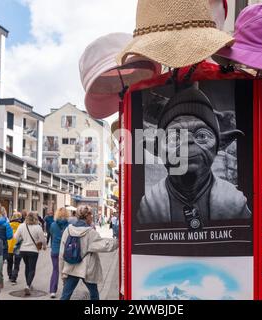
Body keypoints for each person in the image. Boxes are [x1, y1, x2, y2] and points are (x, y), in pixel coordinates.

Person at [137, 86, 250, 228]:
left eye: (202, 136)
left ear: (220, 144)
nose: (188, 142)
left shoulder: (235, 203)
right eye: (174, 138)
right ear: (157, 149)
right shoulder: (150, 206)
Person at [59, 206, 118, 300]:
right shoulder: (90, 232)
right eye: (91, 214)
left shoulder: (68, 230)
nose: (92, 217)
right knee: (94, 294)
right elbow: (105, 245)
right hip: (87, 269)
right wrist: (118, 242)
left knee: (65, 295)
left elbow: (62, 253)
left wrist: (62, 271)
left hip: (71, 268)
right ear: (86, 216)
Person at [14, 212, 46, 296]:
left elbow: (15, 237)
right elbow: (43, 239)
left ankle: (28, 283)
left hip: (23, 250)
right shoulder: (38, 227)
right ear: (35, 218)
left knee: (27, 267)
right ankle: (28, 285)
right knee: (32, 268)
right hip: (33, 251)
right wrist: (44, 246)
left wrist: (21, 239)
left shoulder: (21, 226)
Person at [49, 208, 70, 298]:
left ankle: (53, 291)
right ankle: (66, 289)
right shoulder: (69, 226)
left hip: (55, 250)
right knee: (66, 271)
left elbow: (52, 235)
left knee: (55, 270)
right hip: (65, 251)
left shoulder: (53, 225)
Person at [7, 212, 23, 284]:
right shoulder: (22, 226)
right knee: (17, 263)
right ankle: (14, 277)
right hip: (18, 246)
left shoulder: (8, 225)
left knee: (9, 262)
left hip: (9, 246)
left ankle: (10, 275)